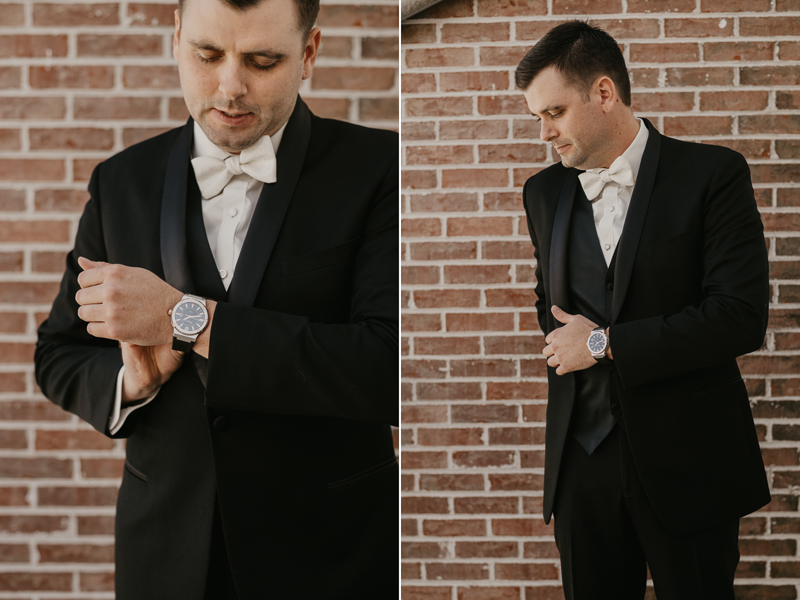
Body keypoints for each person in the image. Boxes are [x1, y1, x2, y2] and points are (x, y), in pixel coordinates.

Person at [34, 0, 398, 596]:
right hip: (165, 554)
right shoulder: (119, 181)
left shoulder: (382, 169)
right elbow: (58, 355)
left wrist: (190, 320)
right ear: (176, 38)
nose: (231, 87)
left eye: (262, 60)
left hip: (333, 554)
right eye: (207, 55)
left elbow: (389, 366)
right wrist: (133, 384)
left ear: (308, 54)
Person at [515, 21, 769, 600]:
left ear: (604, 94)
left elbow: (739, 315)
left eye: (554, 112)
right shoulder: (543, 192)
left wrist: (602, 344)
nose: (546, 133)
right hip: (582, 463)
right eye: (538, 119)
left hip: (690, 458)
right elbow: (548, 302)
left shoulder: (712, 175)